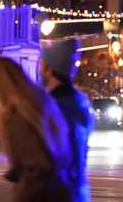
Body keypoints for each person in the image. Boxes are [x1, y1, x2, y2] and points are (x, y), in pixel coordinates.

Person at [0, 57, 72, 202]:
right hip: (57, 190)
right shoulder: (39, 104)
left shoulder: (20, 116)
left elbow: (36, 167)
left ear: (3, 85)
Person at [40, 39, 94, 202]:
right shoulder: (79, 102)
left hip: (58, 192)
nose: (39, 68)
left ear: (50, 69)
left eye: (42, 63)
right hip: (76, 191)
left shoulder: (55, 105)